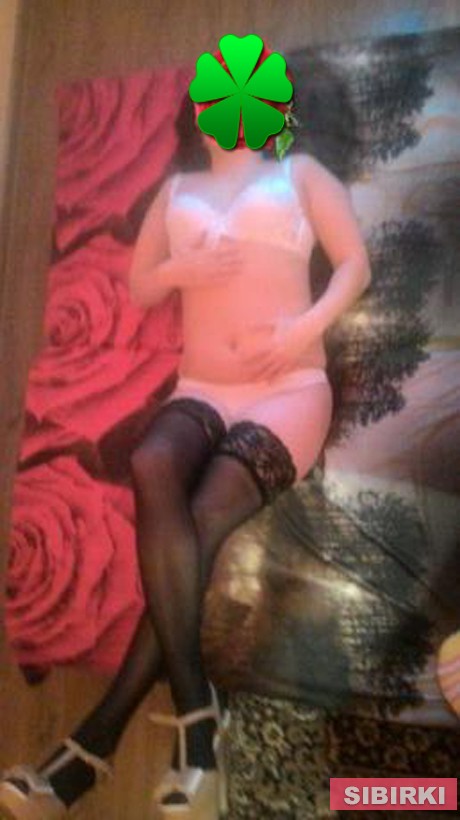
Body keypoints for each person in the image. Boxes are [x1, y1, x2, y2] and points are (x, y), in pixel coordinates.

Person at [0, 87, 371, 820]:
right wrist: (181, 273)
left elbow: (354, 264)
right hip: (201, 388)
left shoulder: (300, 174)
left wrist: (301, 332)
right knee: (150, 463)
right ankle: (197, 713)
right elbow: (141, 286)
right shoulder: (175, 191)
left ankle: (94, 747)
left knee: (199, 520)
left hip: (288, 389)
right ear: (198, 115)